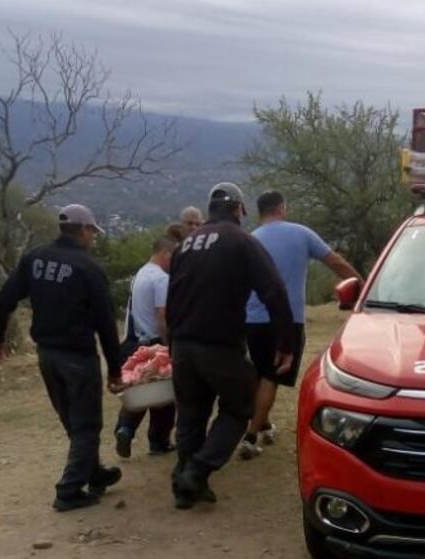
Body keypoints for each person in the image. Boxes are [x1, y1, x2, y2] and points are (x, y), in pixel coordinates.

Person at [0, 204, 125, 513]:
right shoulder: (89, 268)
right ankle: (69, 489)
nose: (93, 238)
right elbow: (105, 323)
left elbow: (4, 298)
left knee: (71, 419)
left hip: (47, 354)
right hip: (78, 355)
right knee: (87, 424)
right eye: (93, 232)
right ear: (85, 230)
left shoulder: (35, 259)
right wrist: (115, 369)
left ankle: (93, 472)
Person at [165, 182, 294, 509]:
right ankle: (198, 469)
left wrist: (171, 346)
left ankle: (186, 486)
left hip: (182, 343)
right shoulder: (241, 241)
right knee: (241, 405)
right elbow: (274, 291)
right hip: (219, 343)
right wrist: (285, 341)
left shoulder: (184, 246)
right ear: (238, 210)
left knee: (191, 411)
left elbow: (172, 298)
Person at [239, 191, 361, 459]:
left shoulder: (251, 240)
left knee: (260, 374)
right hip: (287, 319)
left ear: (260, 212)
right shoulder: (301, 233)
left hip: (252, 319)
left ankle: (266, 424)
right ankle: (250, 435)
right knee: (272, 376)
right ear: (282, 207)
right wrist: (363, 285)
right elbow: (335, 262)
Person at [114, 236, 178, 458]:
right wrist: (168, 344)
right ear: (166, 254)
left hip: (134, 340)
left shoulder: (140, 273)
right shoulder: (161, 279)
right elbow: (162, 315)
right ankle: (158, 441)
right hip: (154, 342)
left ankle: (125, 428)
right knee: (164, 397)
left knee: (138, 390)